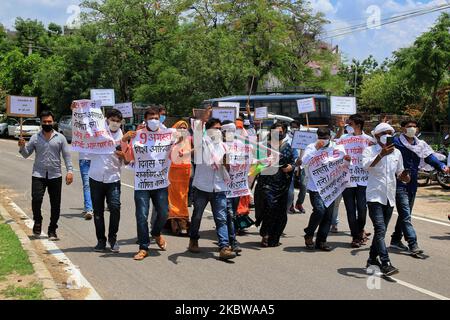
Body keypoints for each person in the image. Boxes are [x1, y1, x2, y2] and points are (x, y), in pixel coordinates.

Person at [390, 120, 449, 254]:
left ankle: (395, 240)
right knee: (405, 214)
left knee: (406, 213)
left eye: (414, 126)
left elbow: (429, 157)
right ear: (403, 128)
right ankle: (413, 243)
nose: (412, 128)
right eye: (409, 126)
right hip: (398, 180)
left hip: (413, 182)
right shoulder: (395, 142)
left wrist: (442, 166)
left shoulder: (420, 144)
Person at [124, 107, 174, 261]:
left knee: (164, 213)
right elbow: (128, 158)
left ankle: (156, 233)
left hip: (160, 183)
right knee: (141, 216)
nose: (154, 119)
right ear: (145, 119)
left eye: (156, 117)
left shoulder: (168, 135)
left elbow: (179, 148)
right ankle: (143, 247)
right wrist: (124, 140)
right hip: (143, 184)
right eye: (151, 117)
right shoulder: (137, 136)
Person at [362, 123, 411, 276]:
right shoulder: (369, 150)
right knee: (380, 229)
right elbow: (365, 166)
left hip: (390, 197)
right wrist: (381, 155)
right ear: (377, 136)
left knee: (380, 233)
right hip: (375, 196)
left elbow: (401, 174)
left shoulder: (397, 153)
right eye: (385, 132)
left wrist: (405, 177)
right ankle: (385, 262)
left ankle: (371, 259)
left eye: (391, 132)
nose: (388, 135)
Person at [18, 110, 73, 240]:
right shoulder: (35, 138)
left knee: (56, 204)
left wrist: (70, 171)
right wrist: (22, 147)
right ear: (41, 123)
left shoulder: (60, 138)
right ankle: (38, 221)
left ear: (53, 122)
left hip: (56, 175)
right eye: (44, 122)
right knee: (36, 200)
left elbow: (67, 156)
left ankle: (52, 229)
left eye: (49, 121)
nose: (47, 123)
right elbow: (26, 154)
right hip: (38, 174)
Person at [188, 117, 237, 260]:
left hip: (219, 188)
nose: (218, 131)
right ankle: (193, 240)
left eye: (220, 129)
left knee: (221, 219)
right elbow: (197, 132)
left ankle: (224, 247)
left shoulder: (225, 147)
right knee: (197, 216)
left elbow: (229, 167)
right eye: (215, 128)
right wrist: (204, 116)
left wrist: (226, 163)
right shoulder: (202, 143)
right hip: (201, 188)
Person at [87, 109, 129, 253]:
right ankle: (100, 240)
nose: (115, 123)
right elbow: (83, 126)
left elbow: (127, 161)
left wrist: (123, 155)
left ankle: (113, 238)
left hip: (113, 178)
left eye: (118, 121)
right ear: (106, 119)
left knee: (115, 208)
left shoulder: (124, 137)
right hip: (96, 177)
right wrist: (75, 110)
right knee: (98, 211)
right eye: (113, 120)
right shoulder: (98, 133)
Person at [302, 127, 350, 251]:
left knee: (328, 215)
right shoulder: (311, 147)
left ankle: (321, 241)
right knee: (319, 210)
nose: (323, 140)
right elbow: (303, 162)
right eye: (320, 138)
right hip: (315, 186)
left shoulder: (336, 147)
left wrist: (347, 161)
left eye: (325, 138)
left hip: (331, 186)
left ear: (330, 137)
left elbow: (343, 162)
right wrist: (316, 149)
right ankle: (309, 233)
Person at [254, 122, 295, 247]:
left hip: (283, 184)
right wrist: (264, 163)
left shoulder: (289, 147)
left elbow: (293, 162)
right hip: (266, 184)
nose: (278, 134)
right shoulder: (264, 147)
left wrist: (291, 166)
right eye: (276, 131)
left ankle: (274, 237)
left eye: (281, 131)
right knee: (269, 208)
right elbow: (256, 164)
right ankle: (265, 234)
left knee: (281, 212)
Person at [337, 114, 374, 248]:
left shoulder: (368, 140)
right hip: (347, 179)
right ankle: (356, 236)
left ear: (358, 125)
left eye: (350, 123)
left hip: (363, 180)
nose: (348, 126)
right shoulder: (343, 139)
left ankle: (360, 230)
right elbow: (334, 152)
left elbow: (376, 155)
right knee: (350, 210)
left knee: (362, 209)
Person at [167, 120, 192, 236]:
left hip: (185, 172)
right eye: (180, 128)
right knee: (173, 196)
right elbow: (167, 154)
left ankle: (183, 219)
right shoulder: (171, 139)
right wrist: (177, 142)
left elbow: (193, 150)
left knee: (183, 196)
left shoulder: (189, 139)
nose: (182, 130)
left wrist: (190, 151)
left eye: (184, 128)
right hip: (173, 171)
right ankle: (174, 220)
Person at [286, 120, 307, 214]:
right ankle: (290, 204)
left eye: (295, 127)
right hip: (292, 165)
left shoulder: (304, 136)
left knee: (304, 185)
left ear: (299, 127)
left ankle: (299, 203)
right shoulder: (287, 138)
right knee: (291, 188)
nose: (293, 128)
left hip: (303, 165)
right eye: (292, 127)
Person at [79, 152, 93, 220]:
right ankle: (89, 209)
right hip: (84, 160)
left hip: (96, 160)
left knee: (95, 185)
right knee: (86, 185)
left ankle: (87, 206)